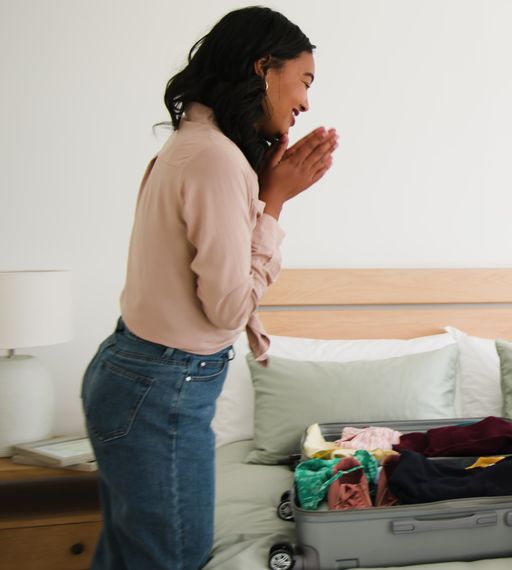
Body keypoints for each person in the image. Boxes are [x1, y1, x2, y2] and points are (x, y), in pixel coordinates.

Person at [80, 7, 337, 569]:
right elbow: (227, 310)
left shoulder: (195, 145)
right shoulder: (216, 160)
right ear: (264, 68)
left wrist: (266, 187)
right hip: (161, 389)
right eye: (305, 81)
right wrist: (274, 201)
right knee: (174, 557)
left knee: (132, 558)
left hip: (138, 377)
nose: (306, 102)